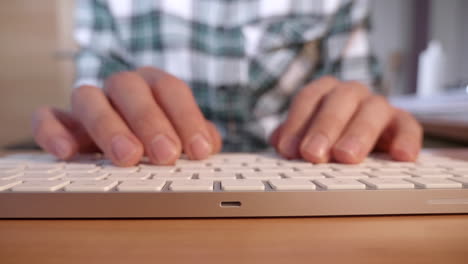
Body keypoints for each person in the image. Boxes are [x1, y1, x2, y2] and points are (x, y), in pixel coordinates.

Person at [32, 0, 422, 166]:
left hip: (299, 185)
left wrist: (368, 120)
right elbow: (98, 96)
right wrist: (92, 124)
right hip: (154, 183)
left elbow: (357, 96)